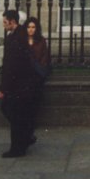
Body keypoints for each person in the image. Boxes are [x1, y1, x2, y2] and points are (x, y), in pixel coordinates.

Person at [0, 9, 37, 158]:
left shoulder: (16, 38)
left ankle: (17, 148)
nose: (3, 25)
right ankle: (26, 137)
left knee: (13, 113)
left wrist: (3, 88)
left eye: (5, 22)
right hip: (22, 82)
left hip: (18, 83)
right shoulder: (18, 35)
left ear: (12, 21)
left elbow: (10, 65)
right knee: (11, 111)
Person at [25, 16, 51, 144]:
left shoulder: (41, 41)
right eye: (29, 27)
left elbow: (44, 58)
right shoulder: (22, 41)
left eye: (33, 27)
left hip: (37, 75)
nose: (31, 29)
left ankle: (31, 125)